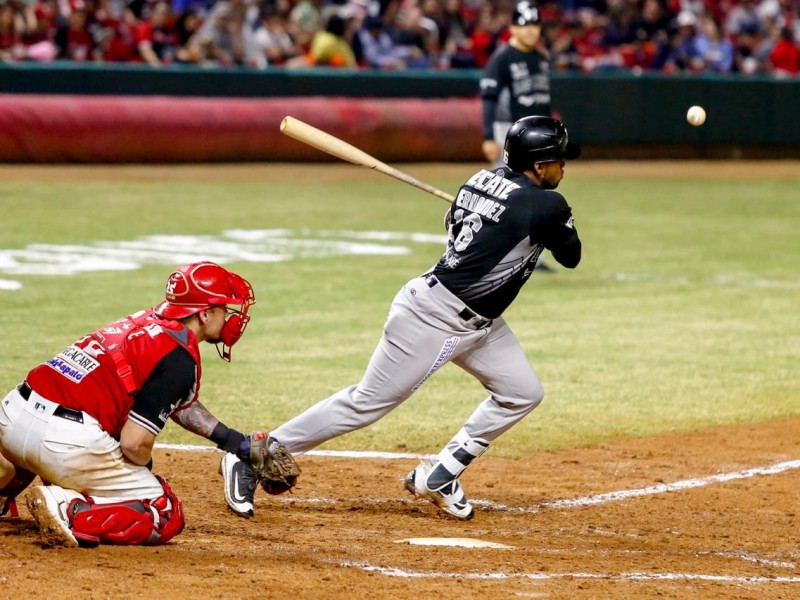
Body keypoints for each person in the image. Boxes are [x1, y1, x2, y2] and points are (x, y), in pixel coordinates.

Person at [221, 115, 582, 521]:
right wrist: (544, 225)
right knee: (366, 403)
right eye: (558, 161)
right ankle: (251, 456)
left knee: (522, 392)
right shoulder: (547, 205)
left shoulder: (478, 182)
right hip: (432, 317)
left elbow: (456, 227)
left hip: (480, 324)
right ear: (538, 165)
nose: (563, 168)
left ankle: (441, 474)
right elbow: (571, 256)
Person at [0, 261, 268, 547]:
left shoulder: (145, 323)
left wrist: (235, 442)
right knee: (164, 512)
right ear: (205, 314)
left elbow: (174, 399)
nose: (230, 317)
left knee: (41, 441)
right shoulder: (179, 358)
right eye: (225, 309)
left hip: (10, 421)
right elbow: (133, 444)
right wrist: (139, 466)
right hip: (63, 444)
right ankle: (66, 506)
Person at [479, 0, 556, 273]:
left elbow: (543, 101)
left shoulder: (541, 58)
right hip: (508, 132)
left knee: (535, 193)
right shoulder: (502, 58)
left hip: (536, 137)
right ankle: (488, 252)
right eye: (525, 25)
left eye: (535, 25)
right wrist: (489, 137)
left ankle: (530, 256)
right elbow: (488, 99)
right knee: (506, 195)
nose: (531, 31)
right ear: (513, 27)